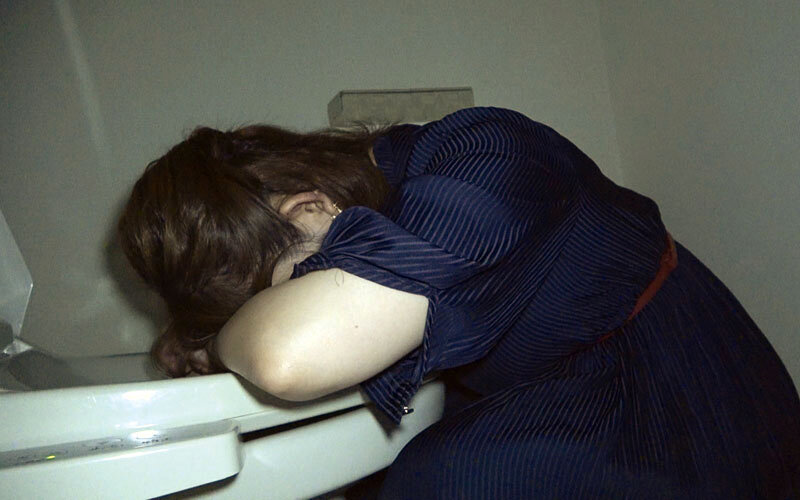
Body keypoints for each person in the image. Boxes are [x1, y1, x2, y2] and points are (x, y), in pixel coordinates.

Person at [119, 107, 800, 498]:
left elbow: (287, 355)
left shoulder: (485, 157)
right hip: (559, 391)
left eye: (285, 287)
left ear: (311, 207)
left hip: (672, 394)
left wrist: (224, 340)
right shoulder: (376, 205)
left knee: (448, 480)